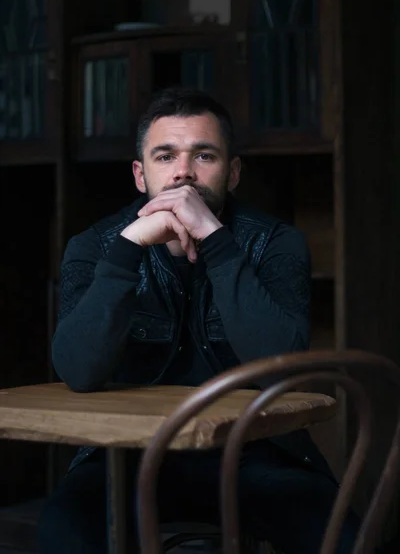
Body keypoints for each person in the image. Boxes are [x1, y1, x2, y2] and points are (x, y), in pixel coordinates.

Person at [37, 88, 358, 553]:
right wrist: (127, 249)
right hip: (126, 458)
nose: (183, 171)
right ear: (139, 174)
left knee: (338, 534)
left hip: (254, 455)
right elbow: (77, 369)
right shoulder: (95, 245)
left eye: (203, 155)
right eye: (164, 156)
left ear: (233, 172)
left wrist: (214, 237)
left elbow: (284, 366)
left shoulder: (277, 244)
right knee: (64, 531)